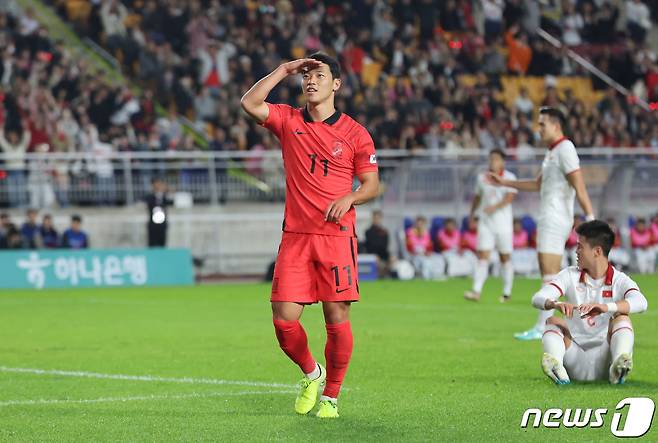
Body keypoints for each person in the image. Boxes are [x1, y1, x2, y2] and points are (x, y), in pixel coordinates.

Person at [241, 53, 379, 418]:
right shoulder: (288, 120)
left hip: (336, 237)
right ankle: (311, 372)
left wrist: (350, 197)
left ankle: (331, 396)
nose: (311, 81)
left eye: (320, 75)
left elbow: (372, 185)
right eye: (306, 76)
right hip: (296, 236)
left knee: (336, 317)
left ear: (336, 84)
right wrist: (283, 69)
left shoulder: (354, 133)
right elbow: (250, 103)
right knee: (283, 320)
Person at [489, 107, 595, 340]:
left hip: (555, 217)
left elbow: (579, 185)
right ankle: (579, 319)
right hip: (550, 216)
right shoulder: (552, 152)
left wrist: (590, 218)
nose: (538, 129)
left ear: (556, 125)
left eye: (542, 124)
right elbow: (538, 185)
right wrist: (504, 182)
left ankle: (543, 326)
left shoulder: (565, 149)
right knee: (551, 272)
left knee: (549, 273)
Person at [532, 220, 648, 384]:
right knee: (553, 321)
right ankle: (558, 368)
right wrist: (555, 304)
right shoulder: (569, 275)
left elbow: (641, 302)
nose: (576, 251)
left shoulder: (619, 279)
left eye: (580, 246)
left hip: (605, 357)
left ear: (597, 251)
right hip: (574, 356)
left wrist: (605, 308)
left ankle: (619, 366)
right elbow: (537, 298)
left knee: (622, 317)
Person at [465, 149, 517, 303]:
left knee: (505, 258)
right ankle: (476, 290)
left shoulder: (510, 178)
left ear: (502, 162)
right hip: (486, 223)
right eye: (491, 159)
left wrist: (493, 208)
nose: (492, 162)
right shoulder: (482, 178)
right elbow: (477, 197)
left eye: (495, 159)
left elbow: (509, 198)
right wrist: (472, 214)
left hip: (503, 224)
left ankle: (507, 292)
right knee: (482, 256)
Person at [406, 216, 444, 280]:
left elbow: (430, 246)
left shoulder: (426, 233)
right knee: (425, 261)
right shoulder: (410, 233)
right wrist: (417, 252)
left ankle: (438, 274)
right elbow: (409, 246)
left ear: (424, 224)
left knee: (439, 258)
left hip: (425, 253)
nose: (419, 225)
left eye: (421, 224)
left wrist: (428, 252)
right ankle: (426, 276)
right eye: (418, 223)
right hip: (415, 254)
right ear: (415, 224)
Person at [144, 177, 173, 247]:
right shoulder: (150, 196)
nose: (158, 186)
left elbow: (172, 202)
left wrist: (167, 192)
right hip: (153, 224)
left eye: (160, 184)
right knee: (152, 244)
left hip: (162, 224)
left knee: (162, 243)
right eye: (156, 184)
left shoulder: (165, 196)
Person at [364, 210, 392, 276]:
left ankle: (385, 274)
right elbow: (370, 245)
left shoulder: (385, 231)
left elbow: (385, 245)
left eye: (378, 218)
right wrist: (375, 255)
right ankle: (380, 275)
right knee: (376, 259)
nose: (376, 220)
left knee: (392, 259)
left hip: (383, 253)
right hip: (373, 253)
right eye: (375, 218)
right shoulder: (368, 231)